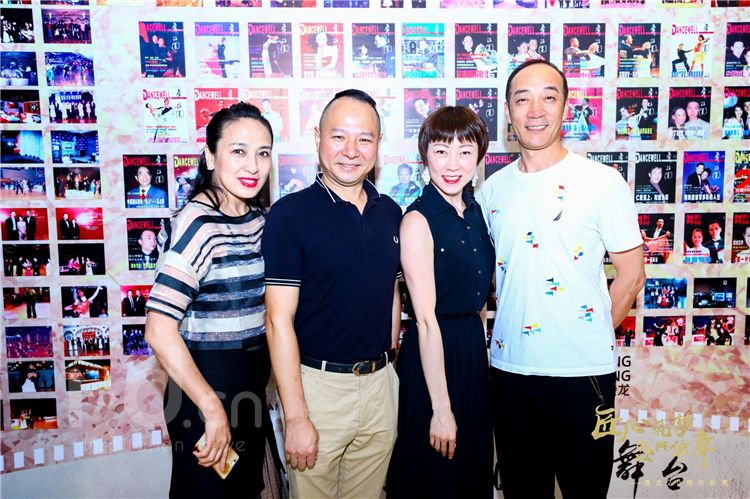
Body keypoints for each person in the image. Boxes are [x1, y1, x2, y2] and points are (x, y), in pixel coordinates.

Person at [477, 60, 645, 498]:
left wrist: (587, 333)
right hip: (511, 372)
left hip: (584, 376)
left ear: (566, 107)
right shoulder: (491, 190)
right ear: (508, 113)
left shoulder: (602, 182)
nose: (536, 110)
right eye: (523, 99)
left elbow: (631, 275)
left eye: (548, 97)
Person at [263, 89, 401, 499]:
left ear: (378, 144)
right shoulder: (291, 215)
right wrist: (296, 416)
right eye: (339, 136)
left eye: (364, 139)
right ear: (318, 138)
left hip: (380, 387)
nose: (351, 151)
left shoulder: (390, 212)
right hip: (317, 390)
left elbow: (391, 289)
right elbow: (277, 321)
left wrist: (390, 366)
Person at [144, 102, 275, 498]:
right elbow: (158, 330)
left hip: (249, 385)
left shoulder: (257, 219)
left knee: (243, 491)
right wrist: (211, 407)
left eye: (263, 153)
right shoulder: (197, 224)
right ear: (210, 156)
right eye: (238, 151)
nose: (252, 166)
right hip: (205, 389)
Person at [387, 106, 494, 498]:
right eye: (441, 151)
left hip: (471, 356)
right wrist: (441, 408)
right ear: (425, 156)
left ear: (479, 157)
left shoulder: (475, 212)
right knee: (435, 478)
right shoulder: (417, 220)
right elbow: (427, 321)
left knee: (469, 475)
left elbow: (478, 301)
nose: (453, 164)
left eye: (465, 151)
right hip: (433, 361)